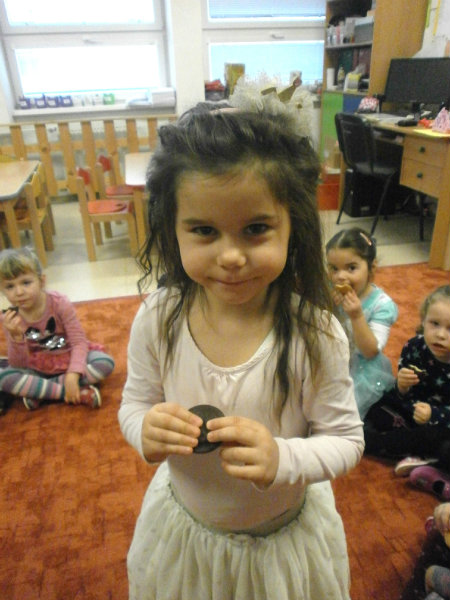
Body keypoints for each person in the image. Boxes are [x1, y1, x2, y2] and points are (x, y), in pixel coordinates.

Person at [119, 100, 364, 600]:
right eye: (204, 230)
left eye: (255, 229)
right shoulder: (157, 319)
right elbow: (134, 404)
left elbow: (345, 439)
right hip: (187, 534)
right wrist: (143, 429)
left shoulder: (315, 334)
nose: (231, 256)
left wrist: (283, 457)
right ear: (172, 228)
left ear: (293, 226)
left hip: (279, 544)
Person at [0, 247, 114, 410]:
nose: (19, 292)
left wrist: (73, 373)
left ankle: (41, 392)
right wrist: (16, 338)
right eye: (10, 286)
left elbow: (79, 342)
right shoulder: (10, 317)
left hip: (69, 355)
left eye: (26, 283)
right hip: (37, 367)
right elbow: (19, 364)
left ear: (41, 281)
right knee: (5, 377)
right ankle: (73, 392)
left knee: (105, 363)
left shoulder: (59, 303)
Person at [364, 285, 450, 485]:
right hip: (410, 415)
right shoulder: (414, 347)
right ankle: (421, 456)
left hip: (441, 427)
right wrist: (402, 387)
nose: (441, 335)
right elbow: (402, 397)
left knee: (439, 442)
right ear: (424, 320)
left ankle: (375, 444)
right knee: (376, 408)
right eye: (434, 324)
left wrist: (433, 415)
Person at [326, 227, 398, 419]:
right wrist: (326, 306)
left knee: (343, 416)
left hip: (362, 371)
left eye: (351, 268)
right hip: (332, 360)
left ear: (372, 268)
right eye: (334, 268)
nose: (340, 277)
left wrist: (357, 316)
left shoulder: (381, 305)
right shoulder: (329, 291)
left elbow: (371, 351)